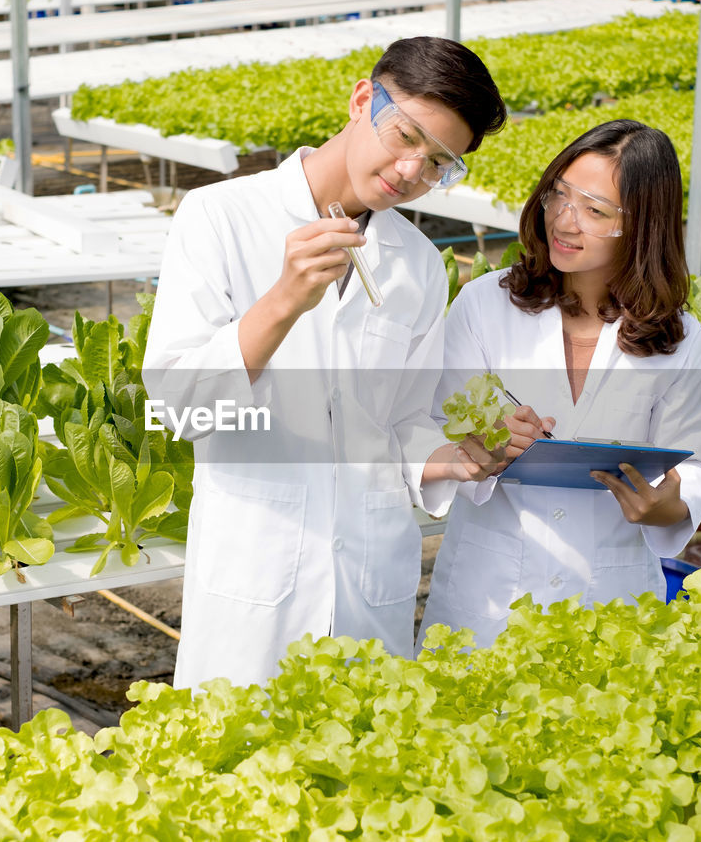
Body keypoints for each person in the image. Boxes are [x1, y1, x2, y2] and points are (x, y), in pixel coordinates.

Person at [142, 37, 509, 691]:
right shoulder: (222, 218)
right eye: (405, 136)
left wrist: (453, 454)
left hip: (370, 587)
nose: (409, 170)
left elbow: (400, 424)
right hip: (255, 584)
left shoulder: (419, 264)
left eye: (438, 163)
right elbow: (179, 407)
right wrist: (284, 299)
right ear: (363, 99)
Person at [418, 119, 701, 650]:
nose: (564, 221)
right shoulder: (484, 306)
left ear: (643, 225)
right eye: (558, 195)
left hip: (612, 603)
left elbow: (690, 473)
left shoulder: (680, 339)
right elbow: (438, 429)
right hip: (487, 602)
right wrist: (486, 445)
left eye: (595, 211)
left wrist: (664, 504)